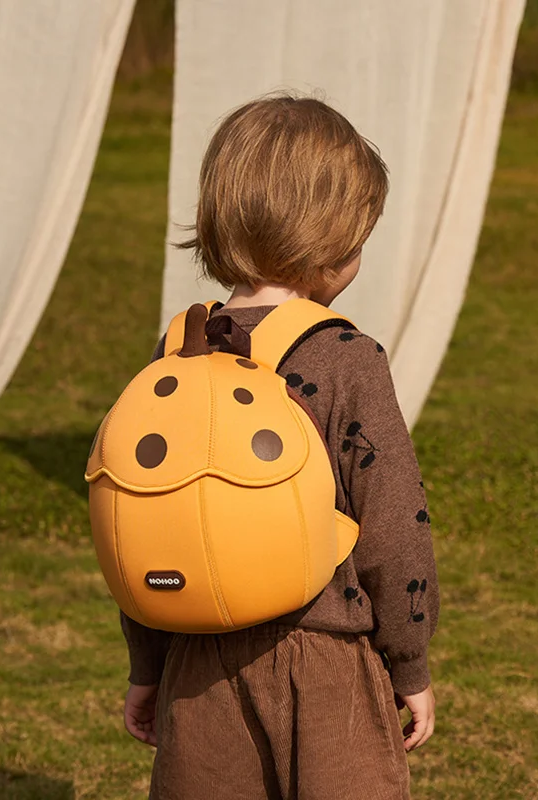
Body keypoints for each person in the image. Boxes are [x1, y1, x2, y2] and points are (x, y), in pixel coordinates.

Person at [121, 94, 439, 800]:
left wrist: (147, 665)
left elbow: (143, 523)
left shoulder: (179, 353)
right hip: (326, 658)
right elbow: (394, 525)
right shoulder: (346, 358)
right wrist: (409, 663)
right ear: (335, 245)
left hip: (196, 664)